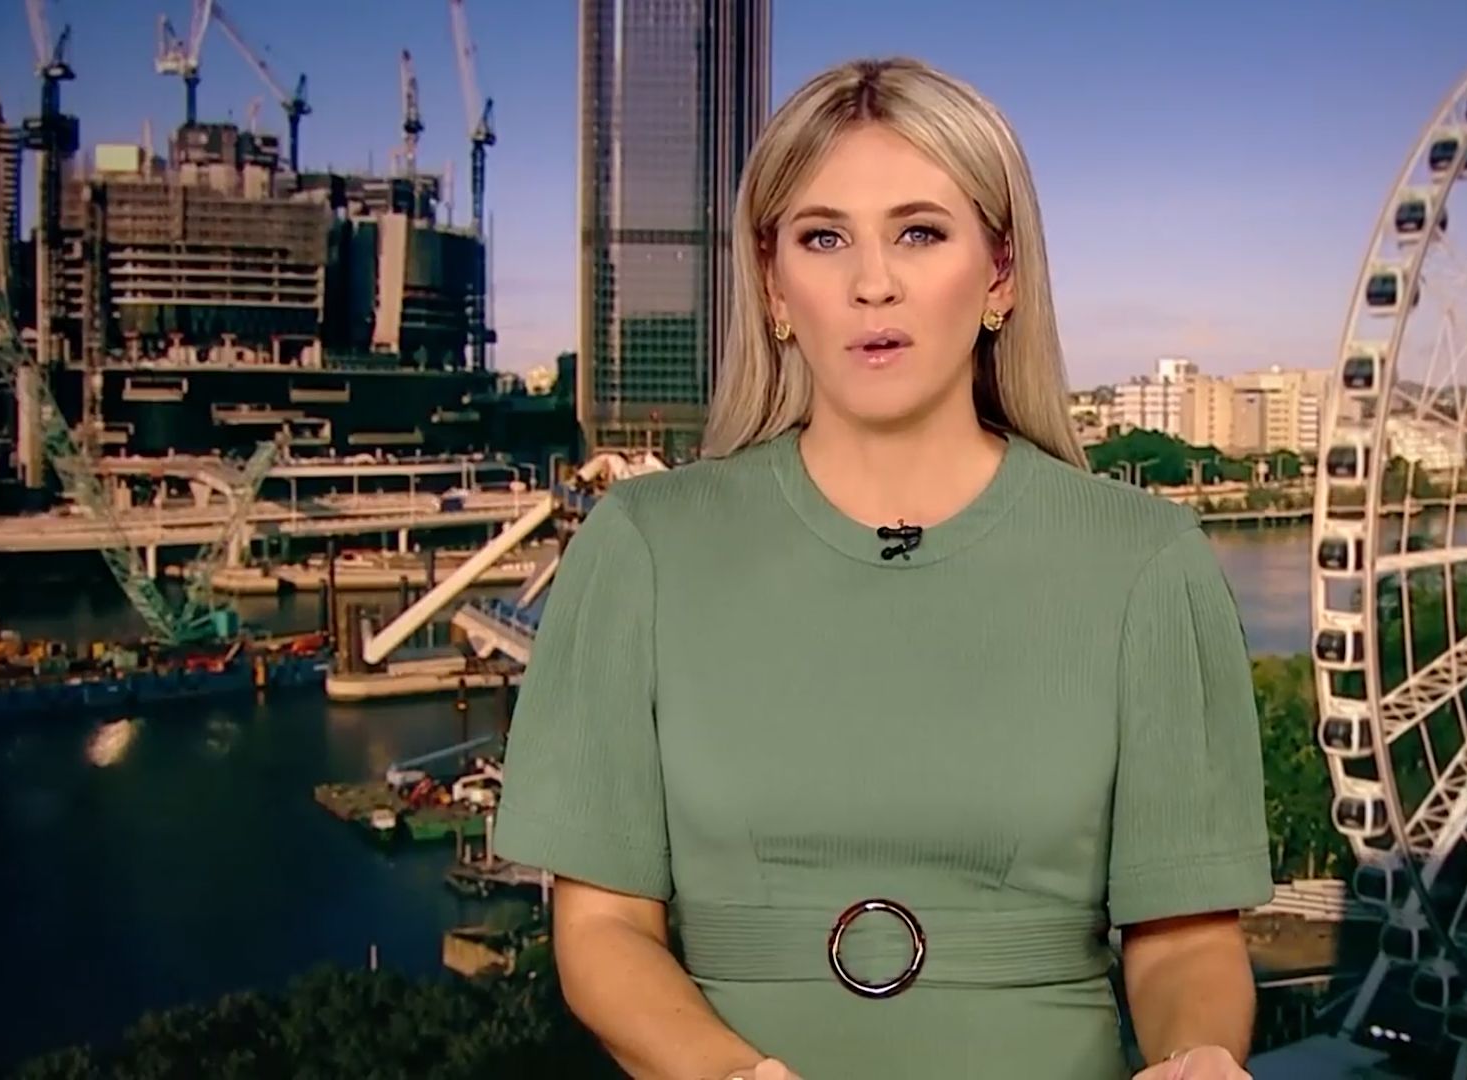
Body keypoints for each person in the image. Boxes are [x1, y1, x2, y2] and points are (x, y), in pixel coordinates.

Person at [494, 56, 1274, 1080]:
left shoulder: (1147, 564)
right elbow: (601, 930)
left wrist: (1196, 1057)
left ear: (1001, 273)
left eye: (920, 233)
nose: (873, 283)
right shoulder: (641, 548)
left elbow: (1185, 943)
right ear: (772, 283)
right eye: (824, 238)